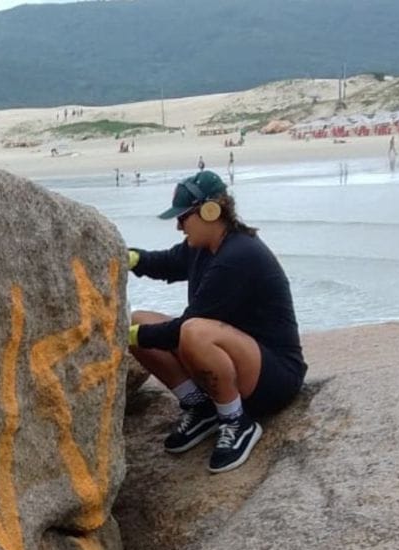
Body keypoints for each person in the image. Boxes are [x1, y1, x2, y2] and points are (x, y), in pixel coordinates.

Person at [126, 170, 306, 473]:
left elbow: (183, 328)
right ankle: (201, 406)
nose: (178, 226)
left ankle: (236, 420)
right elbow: (166, 263)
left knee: (193, 331)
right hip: (239, 359)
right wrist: (129, 258)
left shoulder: (238, 256)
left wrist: (127, 336)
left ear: (210, 211)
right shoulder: (204, 247)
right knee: (138, 319)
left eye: (183, 218)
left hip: (274, 378)